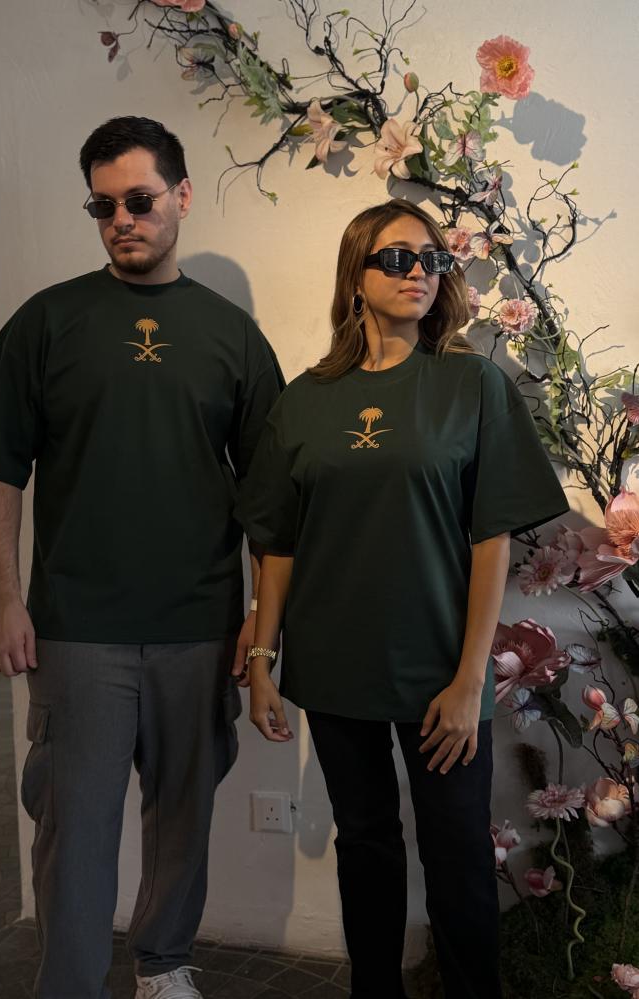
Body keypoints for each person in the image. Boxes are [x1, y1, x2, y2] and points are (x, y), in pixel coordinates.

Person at [0, 116, 284, 999]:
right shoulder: (49, 321)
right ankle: (70, 982)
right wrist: (3, 597)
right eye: (103, 206)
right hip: (77, 626)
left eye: (139, 199)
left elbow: (269, 497)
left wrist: (260, 621)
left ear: (182, 195)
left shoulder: (234, 337)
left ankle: (163, 965)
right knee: (73, 823)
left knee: (182, 818)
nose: (122, 219)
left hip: (198, 624)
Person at [233, 199, 569, 999]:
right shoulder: (304, 399)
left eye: (432, 258)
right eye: (396, 257)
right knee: (366, 845)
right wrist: (262, 658)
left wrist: (469, 678)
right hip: (334, 663)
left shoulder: (470, 383)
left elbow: (491, 538)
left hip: (440, 668)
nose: (418, 271)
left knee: (457, 851)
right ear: (355, 276)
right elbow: (277, 542)